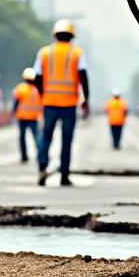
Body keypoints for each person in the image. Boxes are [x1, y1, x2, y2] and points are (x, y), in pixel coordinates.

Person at [35, 19, 90, 186]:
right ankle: (64, 175)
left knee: (46, 137)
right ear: (72, 36)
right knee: (67, 140)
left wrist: (43, 94)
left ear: (55, 35)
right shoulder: (77, 53)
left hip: (50, 103)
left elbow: (37, 76)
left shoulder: (44, 52)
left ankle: (43, 166)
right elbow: (83, 77)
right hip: (69, 104)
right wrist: (86, 99)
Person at [12, 68, 42, 163]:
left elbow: (16, 102)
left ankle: (24, 156)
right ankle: (40, 154)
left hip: (22, 117)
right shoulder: (38, 89)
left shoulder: (20, 88)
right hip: (34, 117)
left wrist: (14, 112)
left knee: (22, 137)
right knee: (36, 137)